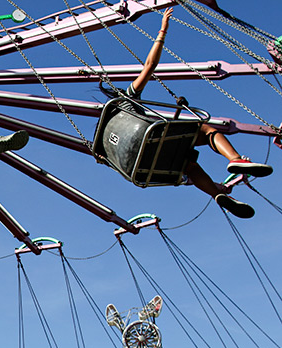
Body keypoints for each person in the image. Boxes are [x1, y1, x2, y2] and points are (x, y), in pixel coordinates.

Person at [107, 8, 271, 219]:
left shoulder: (109, 128)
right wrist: (162, 30)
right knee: (205, 128)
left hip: (139, 164)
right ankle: (236, 159)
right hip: (148, 140)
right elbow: (150, 66)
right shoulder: (127, 100)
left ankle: (216, 194)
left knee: (189, 166)